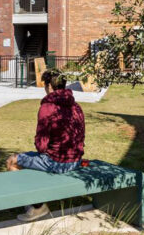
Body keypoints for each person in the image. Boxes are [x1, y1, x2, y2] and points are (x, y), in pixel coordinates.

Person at [5, 69, 86, 222]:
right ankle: (35, 200)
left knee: (12, 161)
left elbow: (41, 147)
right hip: (76, 160)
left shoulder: (47, 108)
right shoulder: (76, 107)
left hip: (56, 162)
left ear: (49, 86)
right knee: (29, 158)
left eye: (44, 85)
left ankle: (36, 207)